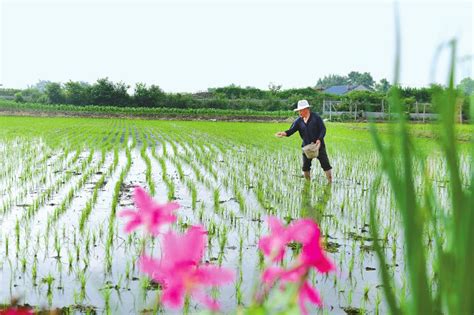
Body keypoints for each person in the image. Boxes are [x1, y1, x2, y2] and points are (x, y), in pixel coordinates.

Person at [275, 99, 332, 183]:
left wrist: (319, 139)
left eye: (301, 111)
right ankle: (307, 182)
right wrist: (283, 133)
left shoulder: (316, 118)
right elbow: (291, 131)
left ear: (306, 109)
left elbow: (323, 129)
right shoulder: (298, 121)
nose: (299, 113)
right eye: (299, 111)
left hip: (318, 146)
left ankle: (330, 182)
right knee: (305, 167)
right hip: (306, 147)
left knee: (326, 165)